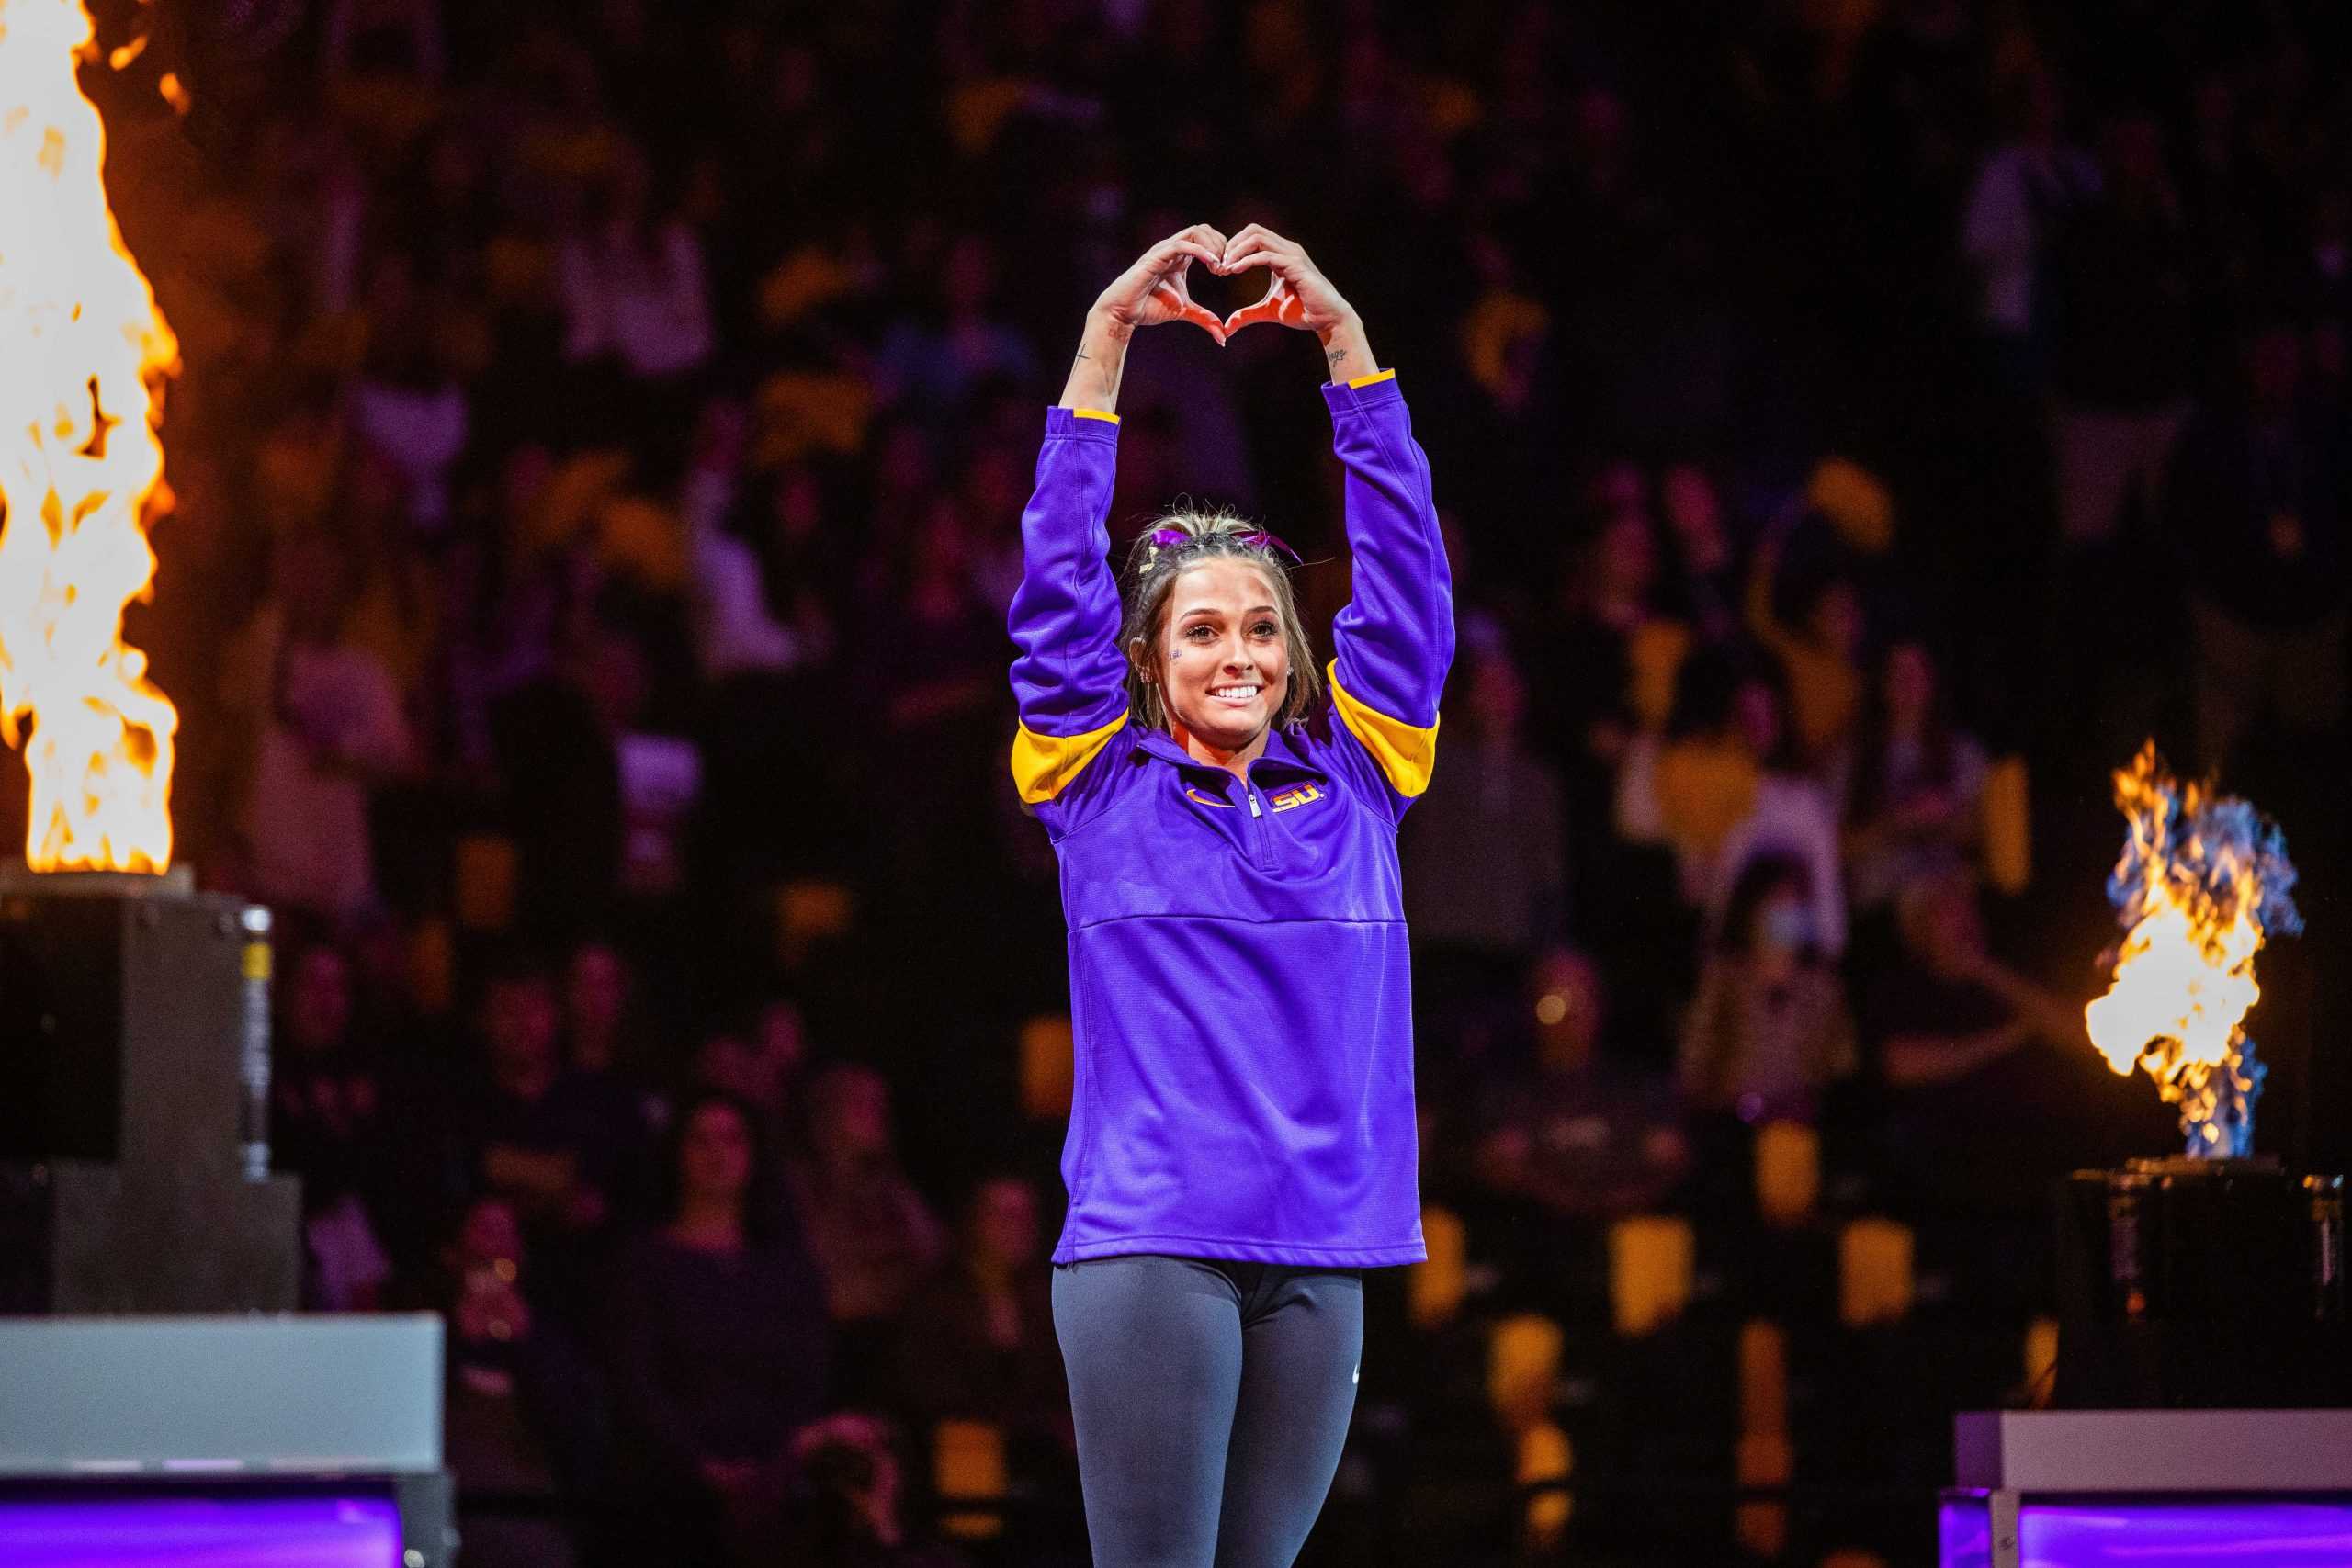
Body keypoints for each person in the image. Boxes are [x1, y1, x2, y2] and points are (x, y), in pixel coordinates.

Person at [1007, 223, 1453, 1567]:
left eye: (1264, 625)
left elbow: (1410, 580)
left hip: (1324, 1258)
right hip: (1157, 1252)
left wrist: (1348, 352)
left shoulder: (1366, 773)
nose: (1241, 654)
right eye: (1201, 629)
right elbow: (1052, 586)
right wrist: (1102, 352)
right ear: (1145, 658)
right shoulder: (1095, 779)